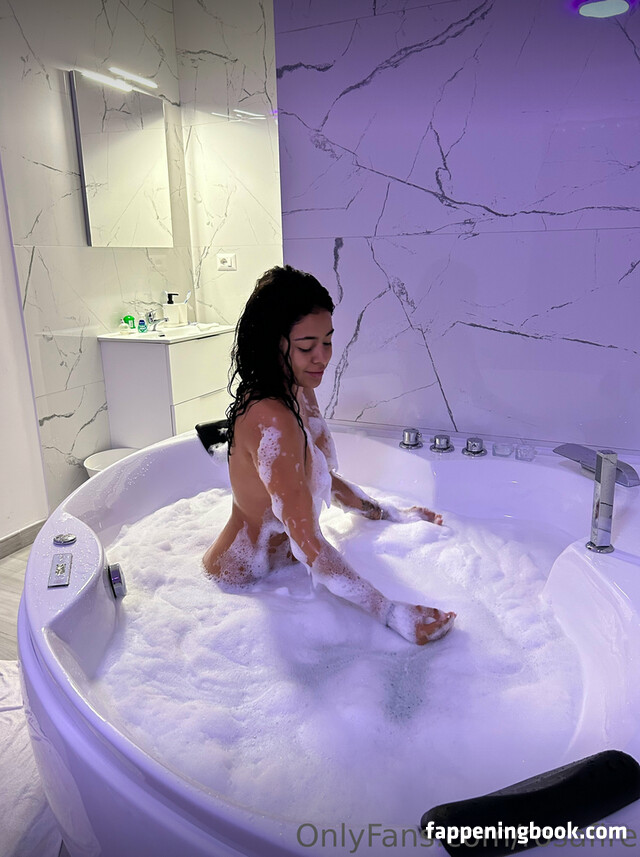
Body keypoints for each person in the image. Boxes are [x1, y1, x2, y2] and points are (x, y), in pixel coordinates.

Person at [203, 265, 455, 644]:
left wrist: (387, 513)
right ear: (274, 343)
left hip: (279, 575)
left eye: (328, 341)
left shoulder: (298, 389)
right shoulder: (271, 418)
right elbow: (307, 540)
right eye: (306, 347)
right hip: (240, 586)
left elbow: (318, 477)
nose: (322, 357)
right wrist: (391, 612)